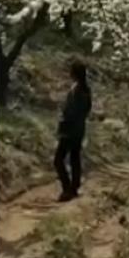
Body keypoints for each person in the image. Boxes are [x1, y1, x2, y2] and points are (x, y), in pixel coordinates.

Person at [55, 60, 93, 201]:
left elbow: (71, 111)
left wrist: (64, 121)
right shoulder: (86, 90)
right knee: (74, 158)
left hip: (69, 129)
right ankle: (74, 187)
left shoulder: (76, 90)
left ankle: (67, 188)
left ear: (74, 73)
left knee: (58, 160)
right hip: (79, 129)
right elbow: (86, 110)